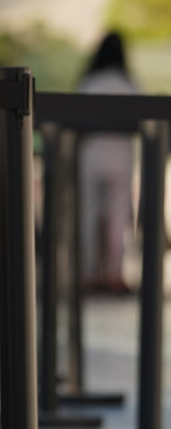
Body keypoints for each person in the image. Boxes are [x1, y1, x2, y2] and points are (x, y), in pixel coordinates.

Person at [78, 31, 138, 294]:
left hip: (92, 154)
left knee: (88, 215)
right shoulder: (128, 84)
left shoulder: (90, 82)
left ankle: (89, 272)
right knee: (118, 216)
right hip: (120, 156)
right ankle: (114, 273)